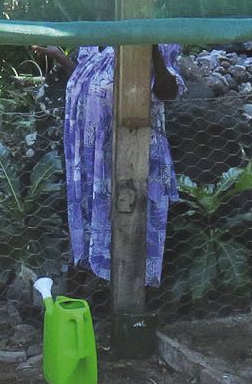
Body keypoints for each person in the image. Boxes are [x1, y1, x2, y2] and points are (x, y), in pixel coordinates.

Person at [49, 43, 184, 286]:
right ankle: (105, 291)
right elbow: (94, 86)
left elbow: (168, 92)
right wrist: (59, 56)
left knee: (132, 224)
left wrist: (150, 47)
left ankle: (132, 300)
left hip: (134, 153)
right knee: (102, 225)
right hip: (95, 157)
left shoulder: (159, 43)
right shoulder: (94, 42)